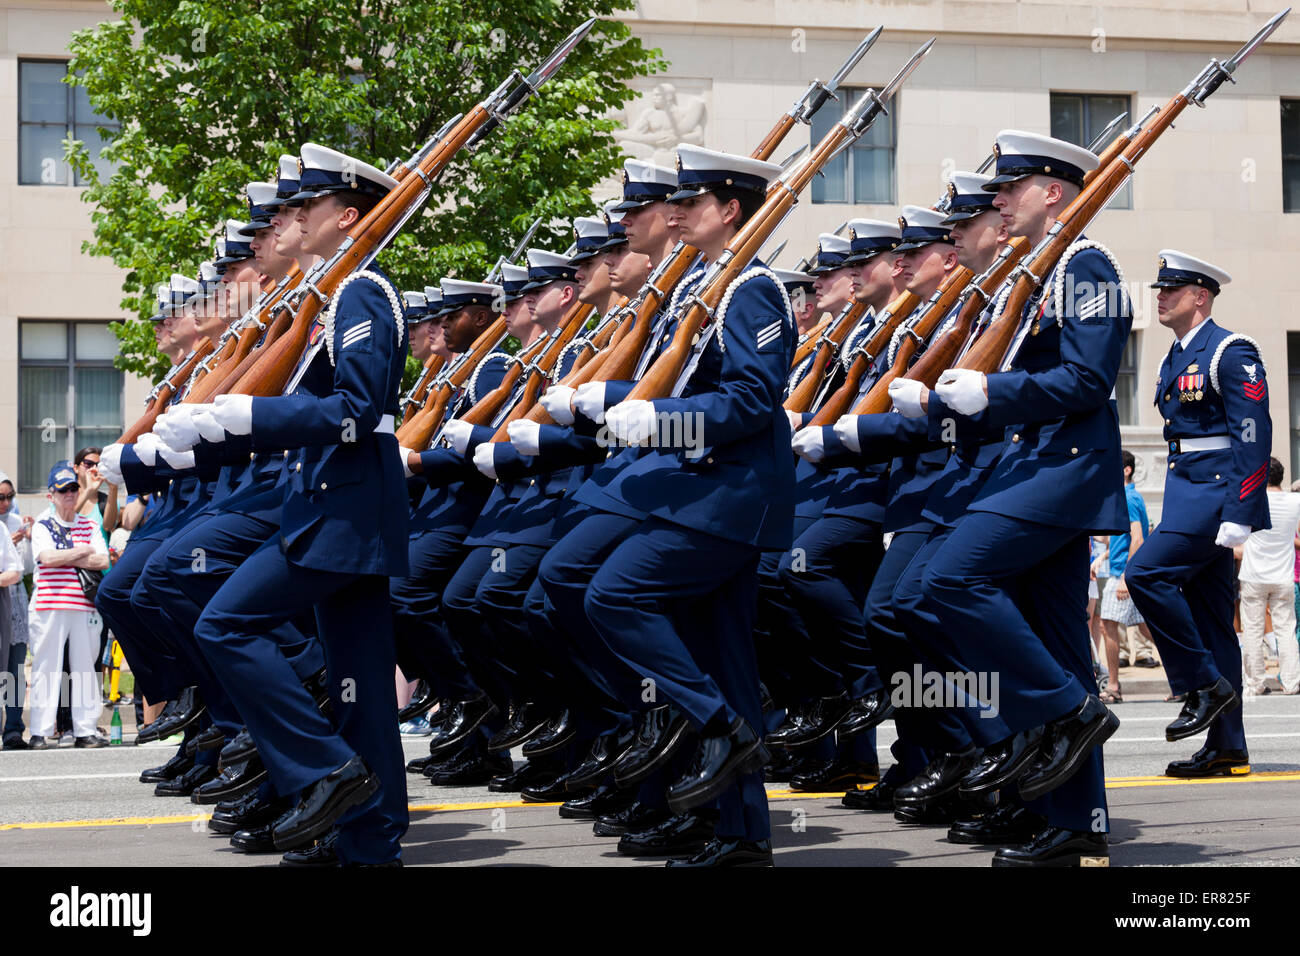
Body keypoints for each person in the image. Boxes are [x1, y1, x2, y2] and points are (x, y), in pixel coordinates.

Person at [187, 142, 409, 865]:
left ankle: (324, 772)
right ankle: (369, 842)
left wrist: (256, 419)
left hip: (346, 509)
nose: (291, 218)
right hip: (337, 503)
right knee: (360, 686)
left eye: (305, 206)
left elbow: (358, 407)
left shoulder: (362, 293)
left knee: (226, 624)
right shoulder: (333, 297)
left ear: (346, 216)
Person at [1125, 249, 1271, 778]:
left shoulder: (1229, 351)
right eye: (1160, 290)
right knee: (1213, 622)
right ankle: (1229, 746)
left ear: (1200, 296)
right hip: (1187, 488)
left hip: (1214, 495)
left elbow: (1253, 433)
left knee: (1144, 573)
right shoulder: (1176, 354)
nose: (1160, 297)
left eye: (1171, 290)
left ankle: (1200, 683)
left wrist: (1243, 507)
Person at [26, 464, 111, 749]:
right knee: (46, 667)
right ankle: (39, 731)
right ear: (51, 495)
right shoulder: (42, 524)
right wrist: (82, 551)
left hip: (83, 605)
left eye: (74, 489)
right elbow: (46, 558)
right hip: (50, 605)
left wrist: (68, 556)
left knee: (86, 668)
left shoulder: (88, 524)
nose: (70, 495)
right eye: (63, 491)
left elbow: (102, 561)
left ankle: (85, 729)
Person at [1238, 457, 1300, 695]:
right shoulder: (1295, 501)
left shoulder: (1253, 500)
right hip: (1283, 573)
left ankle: (1255, 683)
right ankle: (1291, 682)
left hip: (1254, 573)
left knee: (1252, 630)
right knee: (1286, 629)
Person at [1097, 450, 1154, 703]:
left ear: (1127, 470)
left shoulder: (1129, 499)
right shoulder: (1125, 498)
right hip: (1123, 570)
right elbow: (1119, 540)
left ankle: (1113, 686)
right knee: (1149, 629)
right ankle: (1184, 681)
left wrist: (1124, 578)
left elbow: (1138, 539)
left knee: (1106, 625)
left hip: (1123, 573)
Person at [0, 474, 33, 750]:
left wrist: (28, 541)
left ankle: (12, 728)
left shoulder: (16, 523)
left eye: (9, 497)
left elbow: (28, 568)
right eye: (1, 497)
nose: (6, 502)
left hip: (14, 601)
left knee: (14, 670)